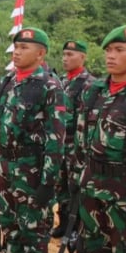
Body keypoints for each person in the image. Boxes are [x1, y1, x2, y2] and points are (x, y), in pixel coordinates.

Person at [0, 27, 66, 253]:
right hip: (6, 168)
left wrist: (48, 182)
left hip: (32, 171)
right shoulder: (10, 82)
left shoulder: (50, 86)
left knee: (32, 231)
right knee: (10, 227)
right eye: (16, 47)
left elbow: (56, 140)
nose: (17, 52)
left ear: (41, 53)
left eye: (24, 48)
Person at [74, 25, 126, 253]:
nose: (111, 55)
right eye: (109, 50)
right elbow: (80, 139)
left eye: (120, 50)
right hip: (92, 187)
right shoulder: (95, 90)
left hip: (125, 192)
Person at [50, 40, 95, 238]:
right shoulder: (61, 81)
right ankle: (63, 222)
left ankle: (76, 227)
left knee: (75, 186)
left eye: (70, 55)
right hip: (60, 144)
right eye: (64, 54)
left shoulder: (88, 83)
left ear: (82, 57)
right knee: (60, 185)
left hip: (75, 145)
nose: (65, 58)